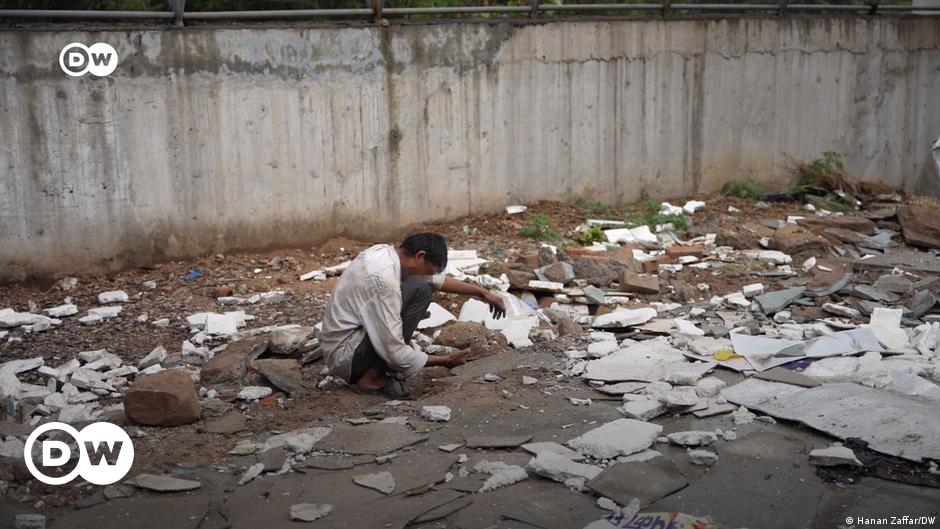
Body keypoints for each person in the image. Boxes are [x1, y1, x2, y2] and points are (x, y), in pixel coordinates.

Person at [320, 232, 506, 397]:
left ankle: (372, 370)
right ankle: (371, 377)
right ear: (420, 256)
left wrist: (482, 292)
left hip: (339, 347)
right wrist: (443, 360)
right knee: (421, 290)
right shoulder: (385, 283)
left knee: (419, 285)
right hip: (347, 358)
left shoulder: (382, 254)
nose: (428, 277)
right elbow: (395, 352)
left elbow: (436, 280)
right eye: (428, 271)